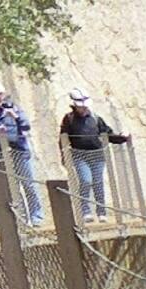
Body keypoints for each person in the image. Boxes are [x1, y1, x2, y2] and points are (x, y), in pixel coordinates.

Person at [0, 77, 42, 228]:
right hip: (2, 153)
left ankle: (36, 216)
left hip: (20, 151)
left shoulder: (15, 108)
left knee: (28, 184)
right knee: (12, 186)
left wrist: (15, 117)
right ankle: (22, 218)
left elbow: (26, 127)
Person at [59, 90, 128, 221]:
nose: (84, 108)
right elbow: (63, 138)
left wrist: (122, 138)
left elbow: (108, 134)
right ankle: (85, 211)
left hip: (97, 156)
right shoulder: (69, 119)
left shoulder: (95, 118)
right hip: (79, 155)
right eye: (81, 106)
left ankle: (101, 212)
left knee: (98, 182)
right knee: (85, 180)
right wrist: (63, 155)